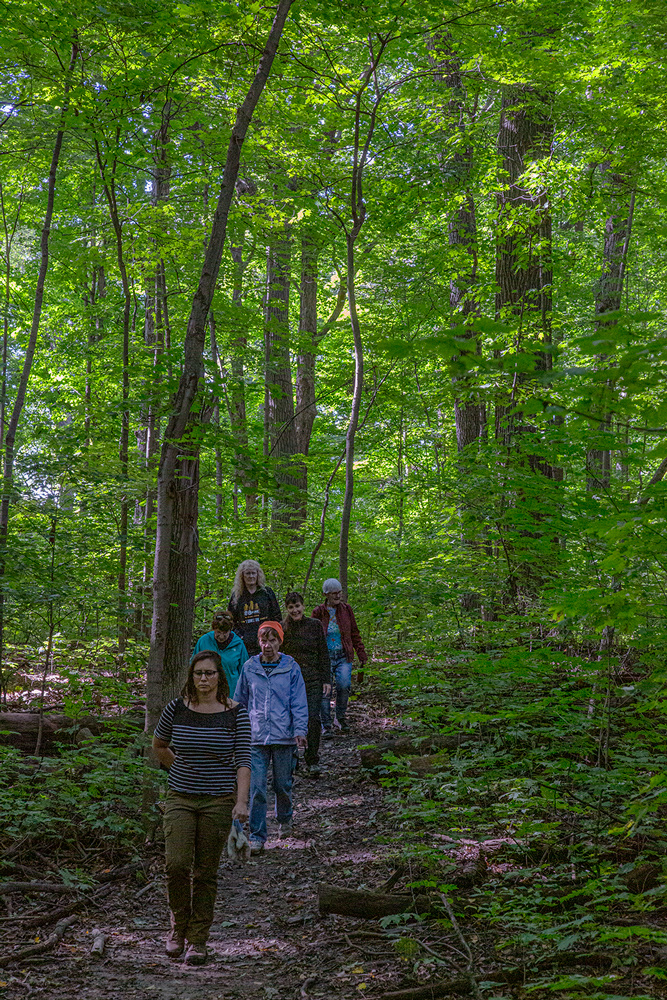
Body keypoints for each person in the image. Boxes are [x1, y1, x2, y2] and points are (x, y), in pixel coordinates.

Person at [152, 650, 251, 966]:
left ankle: (197, 941)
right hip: (180, 796)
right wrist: (177, 766)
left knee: (205, 872)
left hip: (218, 800)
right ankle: (177, 928)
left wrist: (241, 801)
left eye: (209, 673)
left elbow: (244, 761)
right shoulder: (176, 708)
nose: (204, 679)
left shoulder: (236, 713)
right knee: (176, 865)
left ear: (219, 676)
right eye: (198, 673)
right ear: (191, 677)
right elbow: (159, 745)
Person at [233, 621, 308, 854]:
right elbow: (239, 701)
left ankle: (285, 819)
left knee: (282, 784)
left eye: (272, 640)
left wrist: (300, 730)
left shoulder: (291, 667)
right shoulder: (249, 667)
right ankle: (257, 836)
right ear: (259, 642)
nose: (268, 645)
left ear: (280, 641)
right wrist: (237, 731)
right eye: (264, 640)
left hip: (284, 736)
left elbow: (298, 701)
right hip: (255, 738)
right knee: (256, 789)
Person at [281, 591, 331, 778]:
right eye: (291, 607)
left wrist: (327, 679)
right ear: (287, 609)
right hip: (289, 681)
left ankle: (312, 759)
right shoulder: (283, 627)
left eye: (297, 606)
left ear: (303, 606)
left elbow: (323, 653)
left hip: (312, 679)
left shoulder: (315, 625)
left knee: (313, 718)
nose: (295, 610)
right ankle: (292, 758)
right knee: (289, 719)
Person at [313, 578, 368, 735]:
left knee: (344, 686)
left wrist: (361, 652)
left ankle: (341, 718)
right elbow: (313, 635)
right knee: (325, 690)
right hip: (325, 657)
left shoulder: (346, 609)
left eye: (339, 592)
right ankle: (326, 725)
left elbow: (354, 633)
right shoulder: (318, 612)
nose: (338, 596)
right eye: (334, 593)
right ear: (326, 594)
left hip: (344, 655)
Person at [228, 559, 280, 656]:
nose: (251, 576)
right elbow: (231, 620)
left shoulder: (267, 593)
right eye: (248, 573)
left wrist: (271, 636)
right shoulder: (237, 596)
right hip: (244, 645)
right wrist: (240, 636)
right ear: (242, 576)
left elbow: (276, 616)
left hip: (266, 643)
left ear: (257, 574)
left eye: (253, 573)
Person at [191, 609, 248, 694]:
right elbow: (193, 666)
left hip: (231, 692)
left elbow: (245, 671)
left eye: (225, 633)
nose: (221, 636)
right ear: (213, 629)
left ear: (230, 629)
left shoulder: (238, 644)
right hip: (206, 692)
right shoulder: (204, 641)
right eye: (218, 632)